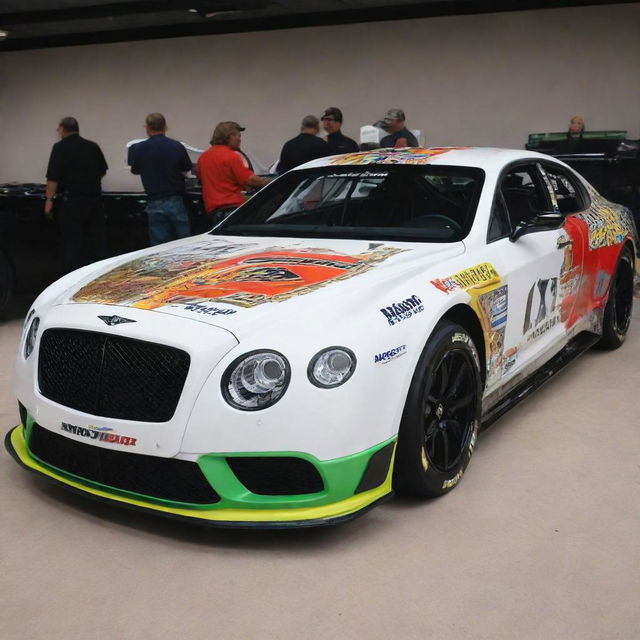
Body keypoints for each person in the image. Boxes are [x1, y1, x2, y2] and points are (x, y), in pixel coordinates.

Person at [45, 116, 108, 273]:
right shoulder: (92, 147)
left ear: (63, 128)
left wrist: (49, 200)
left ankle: (73, 278)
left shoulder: (59, 148)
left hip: (71, 203)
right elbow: (102, 171)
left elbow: (53, 178)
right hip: (93, 202)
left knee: (72, 244)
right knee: (94, 243)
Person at [128, 112, 193, 246]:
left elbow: (135, 170)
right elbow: (186, 167)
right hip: (175, 199)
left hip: (154, 201)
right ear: (165, 127)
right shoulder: (177, 146)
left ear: (147, 128)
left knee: (159, 246)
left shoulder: (139, 148)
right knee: (184, 243)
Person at [197, 121, 269, 223]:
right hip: (231, 209)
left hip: (212, 212)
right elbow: (251, 180)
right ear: (229, 136)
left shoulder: (203, 157)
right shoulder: (231, 156)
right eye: (238, 136)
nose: (240, 140)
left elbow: (207, 180)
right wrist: (273, 182)